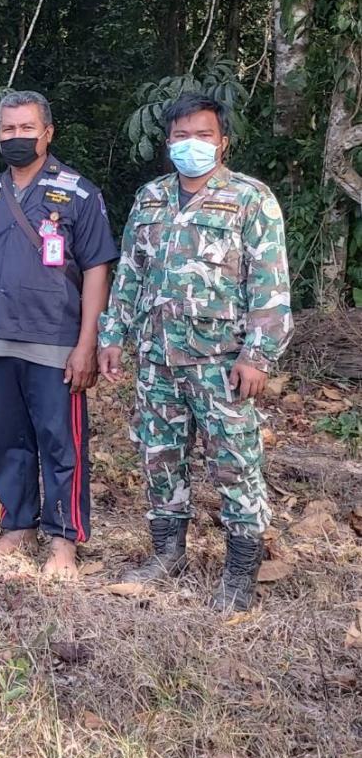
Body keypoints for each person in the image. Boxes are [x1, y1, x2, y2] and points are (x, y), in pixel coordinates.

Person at [99, 93, 291, 612]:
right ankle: (167, 554)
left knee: (234, 463)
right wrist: (112, 335)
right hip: (157, 358)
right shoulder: (152, 197)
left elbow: (271, 285)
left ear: (222, 141)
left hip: (221, 362)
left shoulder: (251, 198)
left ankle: (239, 572)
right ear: (168, 143)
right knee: (160, 458)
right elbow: (132, 274)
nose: (192, 145)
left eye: (203, 136)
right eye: (181, 137)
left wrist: (258, 354)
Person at [0, 91, 117, 578]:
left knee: (60, 443)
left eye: (26, 128)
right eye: (7, 129)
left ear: (47, 133)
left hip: (55, 341)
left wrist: (87, 342)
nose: (16, 137)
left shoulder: (78, 193)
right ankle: (17, 524)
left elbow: (97, 268)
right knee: (7, 441)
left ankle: (64, 538)